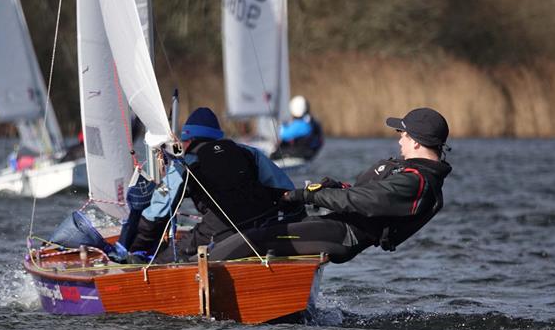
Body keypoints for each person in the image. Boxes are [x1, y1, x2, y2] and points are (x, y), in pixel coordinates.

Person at [210, 107, 452, 263]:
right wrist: (336, 187)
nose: (400, 140)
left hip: (342, 236)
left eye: (404, 135)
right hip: (335, 226)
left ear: (418, 143)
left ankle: (198, 273)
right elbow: (362, 194)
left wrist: (307, 196)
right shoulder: (411, 172)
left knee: (254, 239)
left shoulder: (416, 182)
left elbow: (362, 202)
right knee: (264, 226)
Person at [125, 107, 297, 263]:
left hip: (220, 231)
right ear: (217, 136)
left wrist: (137, 248)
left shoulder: (184, 164)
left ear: (188, 139)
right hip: (266, 225)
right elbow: (286, 190)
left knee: (163, 259)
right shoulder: (250, 153)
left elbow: (158, 211)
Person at [274, 95, 324, 160]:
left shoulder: (302, 125)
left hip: (300, 153)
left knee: (274, 155)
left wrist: (281, 125)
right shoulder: (311, 122)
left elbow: (282, 134)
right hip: (306, 153)